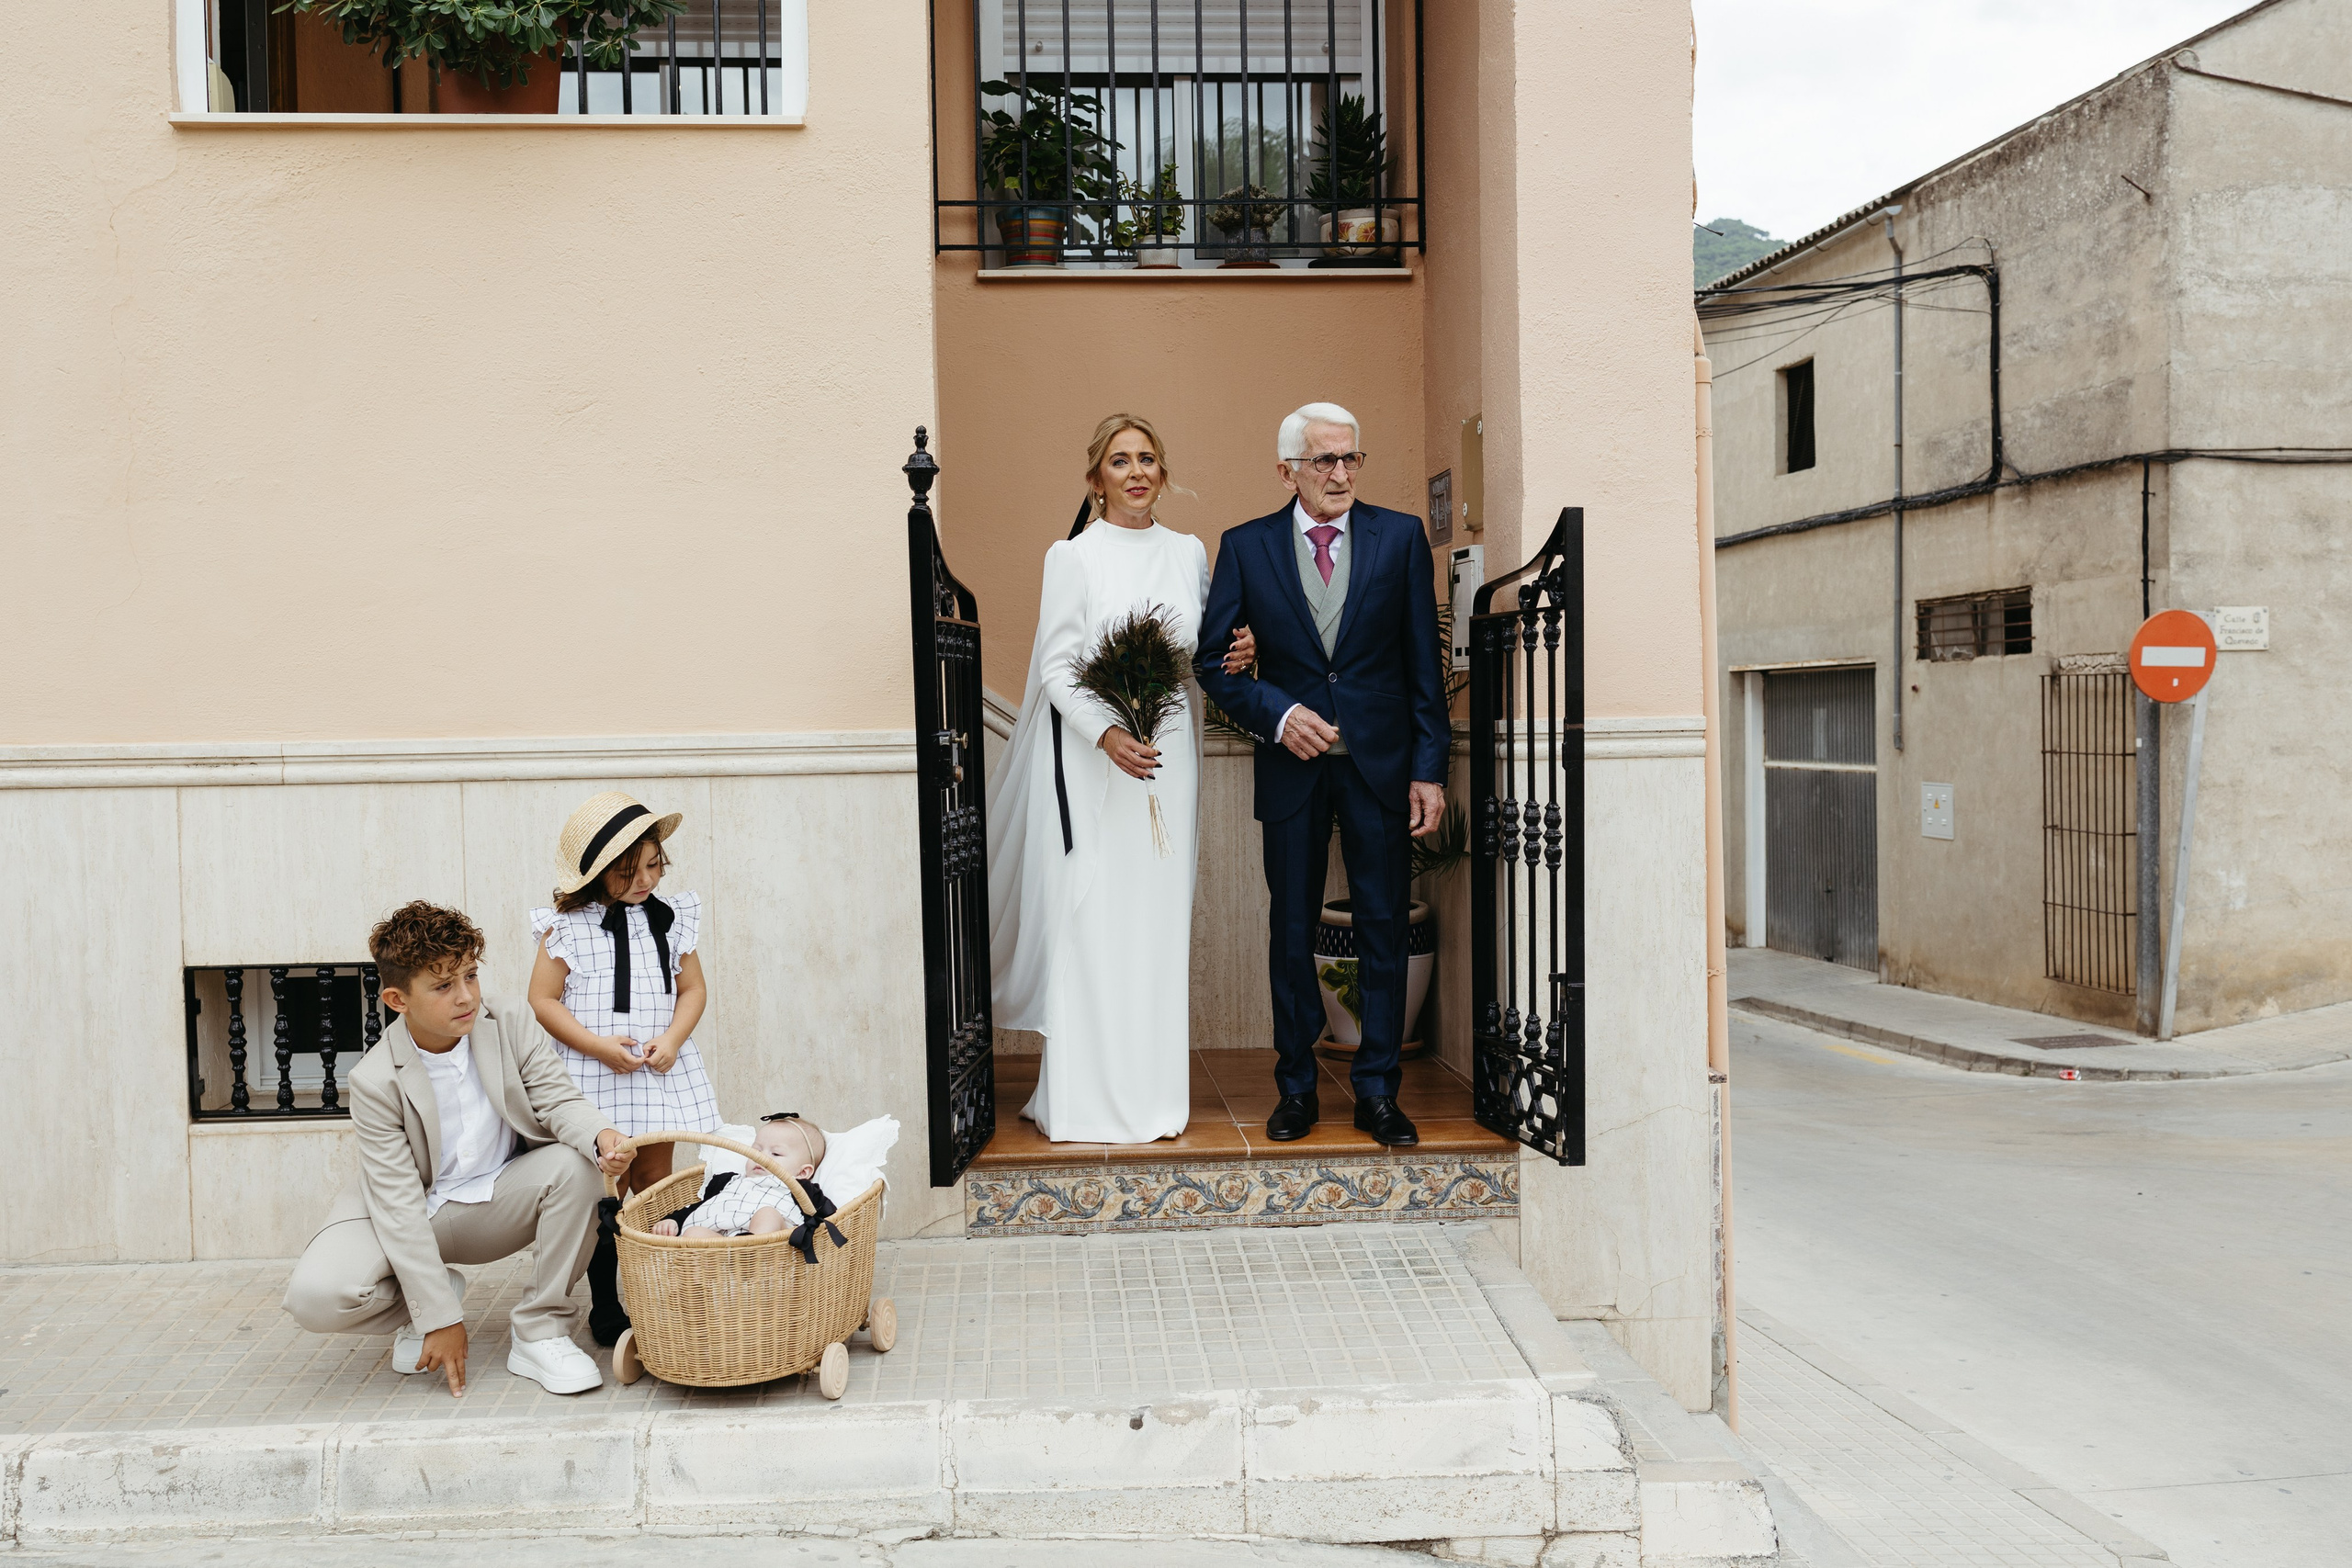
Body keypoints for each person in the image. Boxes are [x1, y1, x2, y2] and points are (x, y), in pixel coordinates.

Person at [985, 413, 1253, 1142]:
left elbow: (1204, 650)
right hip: (1093, 759)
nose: (1136, 472)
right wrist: (1105, 734)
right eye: (1120, 460)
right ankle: (1082, 1101)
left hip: (1167, 761)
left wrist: (1241, 649)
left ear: (1163, 472)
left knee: (1157, 922)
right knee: (1094, 917)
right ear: (1095, 478)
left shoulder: (1188, 552)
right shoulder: (1072, 557)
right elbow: (1057, 665)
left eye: (1147, 459)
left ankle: (1153, 1097)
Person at [1194, 401, 1450, 1147]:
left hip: (1381, 767)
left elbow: (1423, 665)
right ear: (1288, 472)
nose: (1341, 473)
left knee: (1383, 926)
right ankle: (1297, 1087)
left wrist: (1428, 769)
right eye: (1324, 460)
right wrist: (1278, 714)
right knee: (1291, 928)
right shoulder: (1246, 546)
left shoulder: (1400, 537)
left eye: (1350, 458)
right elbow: (1213, 663)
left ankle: (1378, 1090)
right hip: (1292, 769)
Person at [283, 901, 635, 1397]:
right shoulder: (373, 1080)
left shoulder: (510, 1020)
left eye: (470, 975)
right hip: (412, 1213)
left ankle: (540, 1332)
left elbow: (557, 1099)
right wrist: (438, 1315)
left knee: (579, 1164)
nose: (466, 996)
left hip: (497, 1200)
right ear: (397, 999)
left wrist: (601, 1136)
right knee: (315, 1298)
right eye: (443, 986)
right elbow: (398, 1207)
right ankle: (433, 1292)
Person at [528, 790, 718, 1342]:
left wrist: (674, 1039)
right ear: (594, 872)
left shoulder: (672, 918)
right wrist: (596, 1046)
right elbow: (543, 1000)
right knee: (606, 1188)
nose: (646, 880)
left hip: (656, 1073)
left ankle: (666, 1292)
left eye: (654, 866)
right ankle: (608, 1305)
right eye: (628, 872)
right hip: (594, 1076)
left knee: (656, 1180)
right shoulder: (567, 926)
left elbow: (693, 989)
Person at [651, 1114, 827, 1237]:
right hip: (721, 1251)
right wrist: (674, 1221)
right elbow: (699, 1207)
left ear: (802, 1172)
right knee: (693, 1233)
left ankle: (750, 1254)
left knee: (768, 1215)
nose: (761, 1157)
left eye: (776, 1154)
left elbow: (828, 1217)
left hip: (765, 1250)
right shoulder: (727, 1181)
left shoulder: (800, 1188)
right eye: (756, 1151)